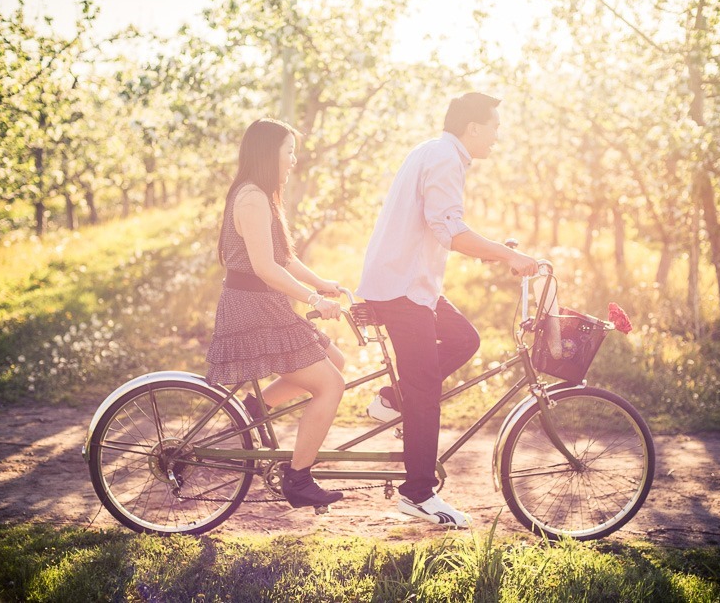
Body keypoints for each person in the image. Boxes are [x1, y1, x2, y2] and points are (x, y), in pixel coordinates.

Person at [357, 92, 538, 527]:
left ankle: (391, 399)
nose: (498, 135)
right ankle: (417, 493)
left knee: (464, 339)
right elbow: (450, 232)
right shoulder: (444, 158)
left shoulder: (435, 151)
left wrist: (498, 250)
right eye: (494, 126)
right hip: (401, 289)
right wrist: (505, 256)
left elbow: (444, 226)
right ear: (473, 128)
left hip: (410, 285)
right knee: (425, 393)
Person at [205, 118, 346, 509]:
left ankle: (253, 409)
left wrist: (323, 285)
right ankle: (299, 479)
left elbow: (285, 258)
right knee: (331, 384)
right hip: (252, 309)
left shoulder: (262, 196)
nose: (293, 159)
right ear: (270, 154)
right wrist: (316, 302)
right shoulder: (251, 199)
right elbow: (266, 269)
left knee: (335, 359)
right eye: (288, 151)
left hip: (264, 306)